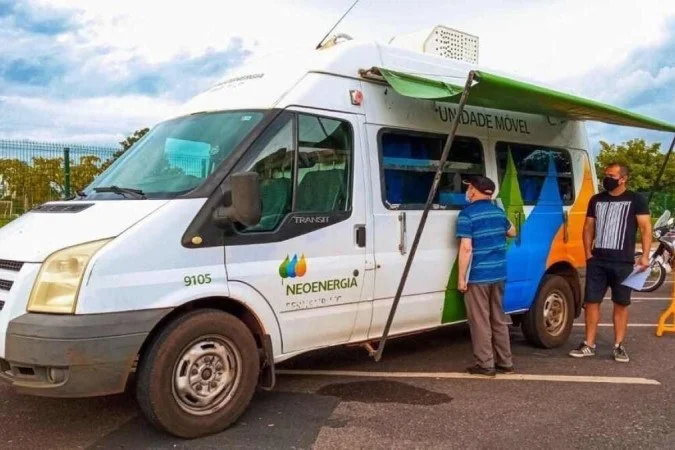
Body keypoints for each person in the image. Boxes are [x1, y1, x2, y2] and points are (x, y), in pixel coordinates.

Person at [569, 162, 652, 363]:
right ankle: (589, 344)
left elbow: (645, 228)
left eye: (612, 176)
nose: (607, 179)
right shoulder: (596, 199)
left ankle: (618, 345)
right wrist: (588, 253)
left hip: (623, 261)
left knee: (621, 304)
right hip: (598, 260)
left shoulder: (636, 199)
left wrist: (645, 255)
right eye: (606, 174)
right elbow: (588, 227)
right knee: (591, 302)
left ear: (623, 179)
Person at [457, 175, 517, 377]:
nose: (467, 191)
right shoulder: (498, 212)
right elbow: (512, 232)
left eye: (469, 188)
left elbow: (466, 248)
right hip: (499, 273)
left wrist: (461, 278)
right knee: (498, 318)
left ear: (474, 191)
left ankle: (485, 364)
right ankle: (505, 362)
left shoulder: (466, 215)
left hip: (478, 276)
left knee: (480, 321)